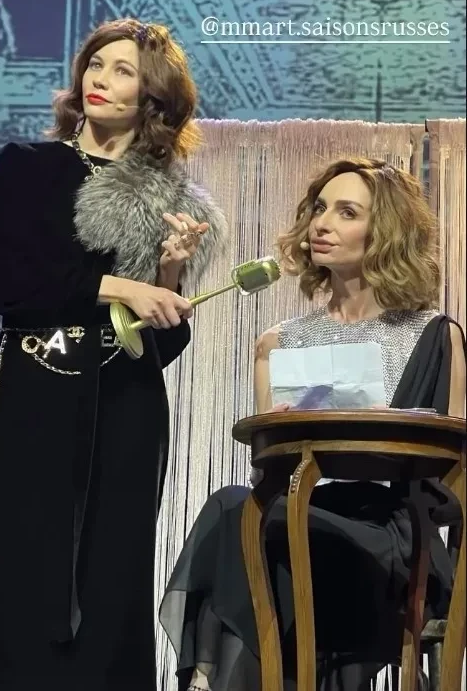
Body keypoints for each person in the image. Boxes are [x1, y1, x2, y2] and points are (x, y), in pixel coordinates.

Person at [0, 18, 227, 691]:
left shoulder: (170, 199)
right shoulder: (29, 165)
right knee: (9, 569)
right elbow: (15, 288)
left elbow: (160, 345)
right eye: (95, 65)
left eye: (122, 71)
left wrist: (168, 275)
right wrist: (123, 286)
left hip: (124, 411)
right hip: (31, 396)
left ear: (153, 97)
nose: (100, 80)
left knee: (109, 584)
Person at [159, 158, 466, 691]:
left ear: (386, 232)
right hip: (300, 519)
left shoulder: (435, 336)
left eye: (347, 212)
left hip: (395, 536)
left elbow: (452, 477)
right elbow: (268, 476)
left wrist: (382, 438)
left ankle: (210, 680)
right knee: (242, 513)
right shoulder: (279, 342)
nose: (322, 224)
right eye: (320, 208)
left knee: (241, 520)